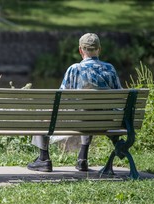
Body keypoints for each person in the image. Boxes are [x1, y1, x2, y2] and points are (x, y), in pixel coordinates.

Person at [27, 33, 122, 172]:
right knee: (90, 111)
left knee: (44, 114)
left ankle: (43, 159)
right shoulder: (110, 69)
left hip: (79, 121)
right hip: (104, 121)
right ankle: (82, 158)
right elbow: (120, 96)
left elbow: (61, 98)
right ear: (99, 49)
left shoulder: (74, 69)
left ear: (80, 50)